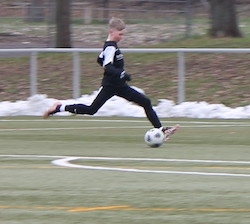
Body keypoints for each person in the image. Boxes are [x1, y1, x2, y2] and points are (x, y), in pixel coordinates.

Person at [43, 17, 179, 146]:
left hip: (120, 86)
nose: (121, 37)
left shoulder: (111, 46)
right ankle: (59, 107)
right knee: (91, 110)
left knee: (146, 102)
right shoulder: (110, 47)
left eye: (123, 34)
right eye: (120, 34)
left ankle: (160, 130)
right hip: (110, 86)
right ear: (111, 32)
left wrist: (118, 73)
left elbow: (100, 59)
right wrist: (122, 73)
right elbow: (108, 67)